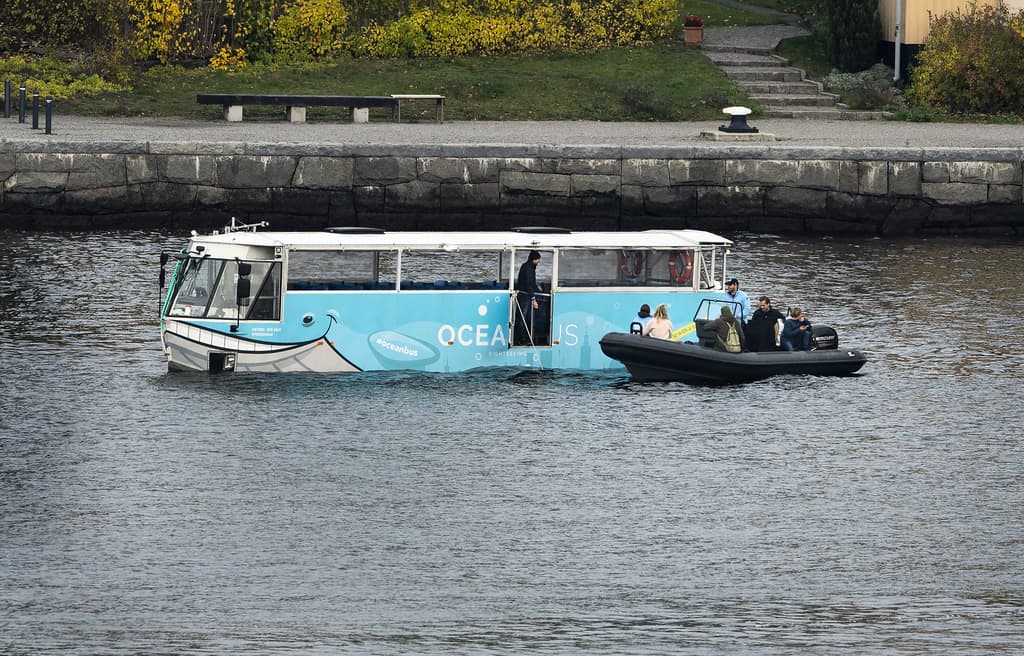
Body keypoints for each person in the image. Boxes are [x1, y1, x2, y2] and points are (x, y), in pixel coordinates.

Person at [515, 250, 544, 343]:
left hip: (526, 295)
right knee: (522, 318)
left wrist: (536, 286)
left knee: (526, 318)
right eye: (538, 260)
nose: (538, 262)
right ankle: (519, 338)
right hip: (525, 296)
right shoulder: (529, 268)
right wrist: (533, 299)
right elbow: (528, 284)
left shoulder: (527, 267)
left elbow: (530, 282)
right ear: (534, 259)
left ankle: (525, 337)